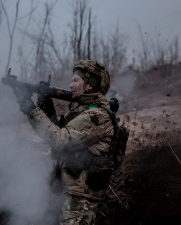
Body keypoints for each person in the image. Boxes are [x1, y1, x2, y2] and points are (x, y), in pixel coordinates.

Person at [17, 60, 115, 225]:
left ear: (90, 85)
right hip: (69, 190)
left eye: (76, 80)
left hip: (81, 198)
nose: (70, 85)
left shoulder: (97, 116)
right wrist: (47, 109)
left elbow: (60, 140)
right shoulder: (81, 112)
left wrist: (32, 110)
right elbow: (54, 132)